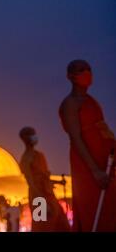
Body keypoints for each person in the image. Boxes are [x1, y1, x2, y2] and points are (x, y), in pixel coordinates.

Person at [59, 60, 116, 231]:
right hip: (87, 164)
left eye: (89, 69)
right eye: (81, 70)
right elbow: (76, 138)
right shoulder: (70, 103)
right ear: (70, 76)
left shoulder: (91, 100)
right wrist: (95, 171)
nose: (87, 73)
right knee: (94, 209)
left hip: (105, 159)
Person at [19, 127, 70, 231]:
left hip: (50, 195)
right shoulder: (25, 159)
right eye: (31, 134)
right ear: (25, 138)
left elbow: (45, 178)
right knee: (43, 227)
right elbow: (31, 184)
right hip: (38, 198)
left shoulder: (39, 155)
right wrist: (43, 203)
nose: (34, 137)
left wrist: (59, 182)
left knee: (62, 224)